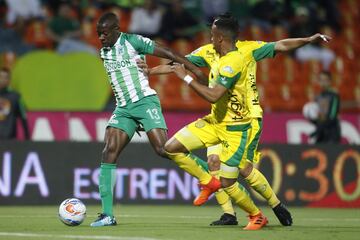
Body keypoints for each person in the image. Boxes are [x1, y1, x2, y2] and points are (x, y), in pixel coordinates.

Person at [161, 13, 331, 230]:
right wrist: (149, 68)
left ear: (222, 34)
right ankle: (229, 213)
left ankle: (275, 205)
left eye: (213, 31)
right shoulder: (209, 51)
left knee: (243, 168)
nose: (210, 35)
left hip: (248, 118)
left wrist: (307, 40)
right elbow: (178, 60)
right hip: (219, 118)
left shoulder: (249, 49)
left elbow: (280, 45)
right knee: (214, 163)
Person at [91, 12, 212, 227]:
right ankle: (107, 214)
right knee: (108, 151)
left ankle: (209, 173)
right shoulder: (104, 52)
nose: (101, 37)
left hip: (145, 102)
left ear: (117, 29)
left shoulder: (133, 41)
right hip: (123, 108)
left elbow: (167, 52)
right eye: (99, 33)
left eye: (105, 33)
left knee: (163, 149)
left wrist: (193, 68)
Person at [310, 71, 341, 143]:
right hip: (321, 133)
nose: (323, 82)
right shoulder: (318, 97)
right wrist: (312, 119)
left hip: (332, 133)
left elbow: (333, 116)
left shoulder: (334, 96)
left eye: (325, 80)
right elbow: (319, 116)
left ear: (330, 81)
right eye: (321, 80)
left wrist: (320, 128)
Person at [0, 67, 30, 140]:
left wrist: (27, 137)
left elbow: (23, 117)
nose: (2, 80)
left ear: (9, 80)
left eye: (5, 77)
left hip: (10, 140)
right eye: (1, 77)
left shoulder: (16, 97)